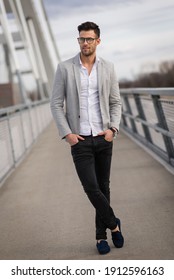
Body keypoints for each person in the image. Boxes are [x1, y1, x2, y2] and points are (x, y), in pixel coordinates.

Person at [50, 21, 124, 254]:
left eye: (89, 39)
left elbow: (115, 102)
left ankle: (100, 237)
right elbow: (55, 103)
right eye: (82, 39)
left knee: (103, 187)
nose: (85, 43)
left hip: (103, 136)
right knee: (91, 188)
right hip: (79, 139)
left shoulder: (109, 67)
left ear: (97, 41)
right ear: (78, 41)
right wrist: (67, 134)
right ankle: (114, 224)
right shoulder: (64, 68)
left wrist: (113, 129)